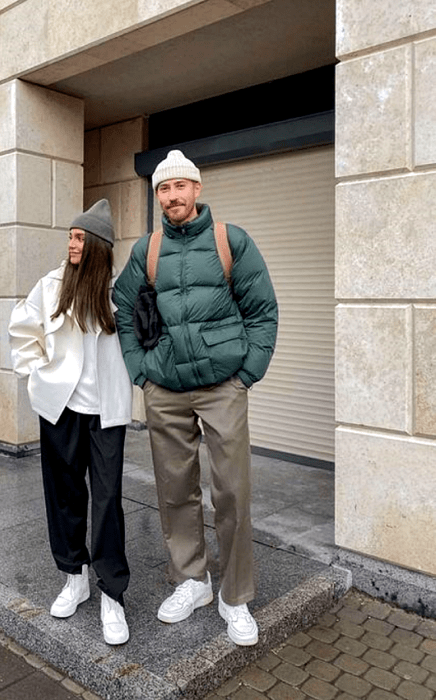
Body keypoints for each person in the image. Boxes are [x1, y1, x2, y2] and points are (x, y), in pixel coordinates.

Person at [113, 151, 278, 646]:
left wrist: (248, 372)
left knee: (232, 491)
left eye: (180, 187)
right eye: (164, 189)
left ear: (197, 189)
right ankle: (192, 581)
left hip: (222, 386)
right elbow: (123, 306)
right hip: (165, 388)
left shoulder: (232, 240)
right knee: (174, 489)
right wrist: (141, 373)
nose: (173, 196)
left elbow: (262, 310)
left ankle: (235, 596)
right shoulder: (149, 249)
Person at [8, 199, 132, 645]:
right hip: (61, 408)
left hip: (107, 413)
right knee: (63, 495)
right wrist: (37, 374)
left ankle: (112, 593)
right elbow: (23, 331)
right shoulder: (52, 284)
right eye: (70, 236)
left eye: (79, 237)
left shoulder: (119, 291)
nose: (71, 244)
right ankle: (74, 575)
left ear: (98, 244)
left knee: (107, 499)